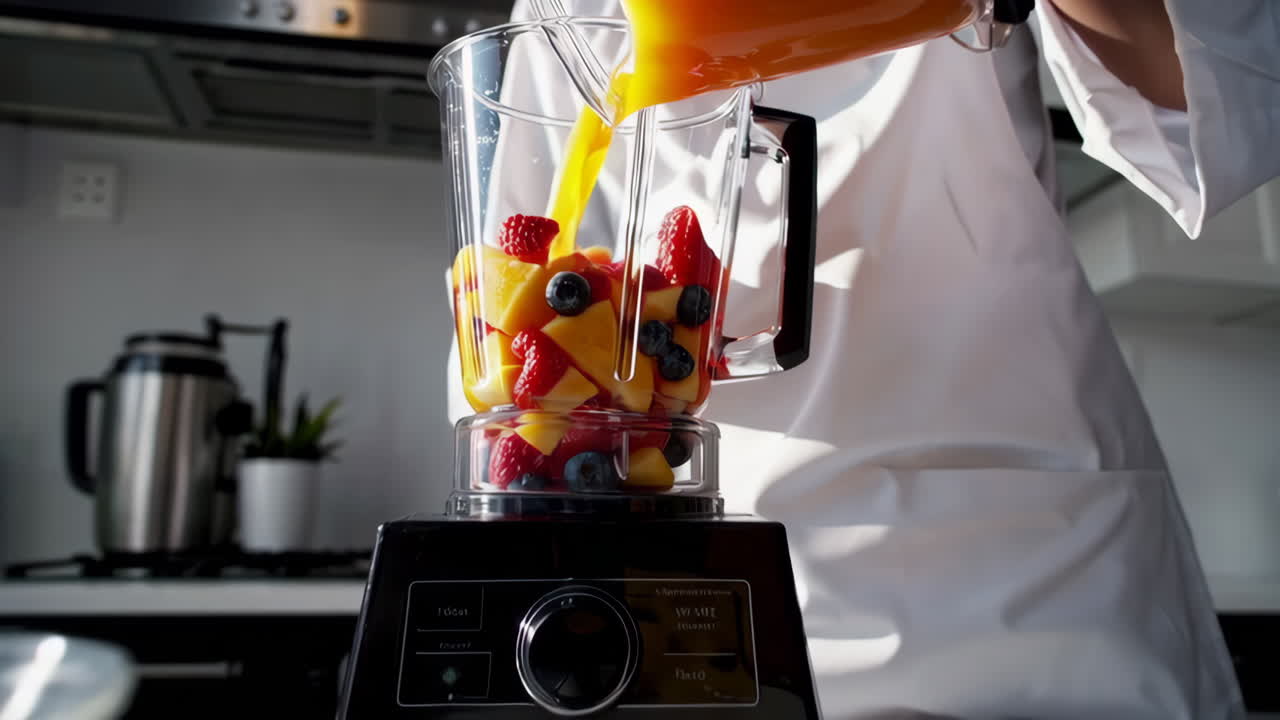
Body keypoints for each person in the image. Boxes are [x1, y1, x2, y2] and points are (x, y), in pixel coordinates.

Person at [448, 1, 1280, 717]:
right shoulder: (562, 22)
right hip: (691, 579)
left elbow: (1203, 104)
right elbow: (517, 320)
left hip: (1023, 578)